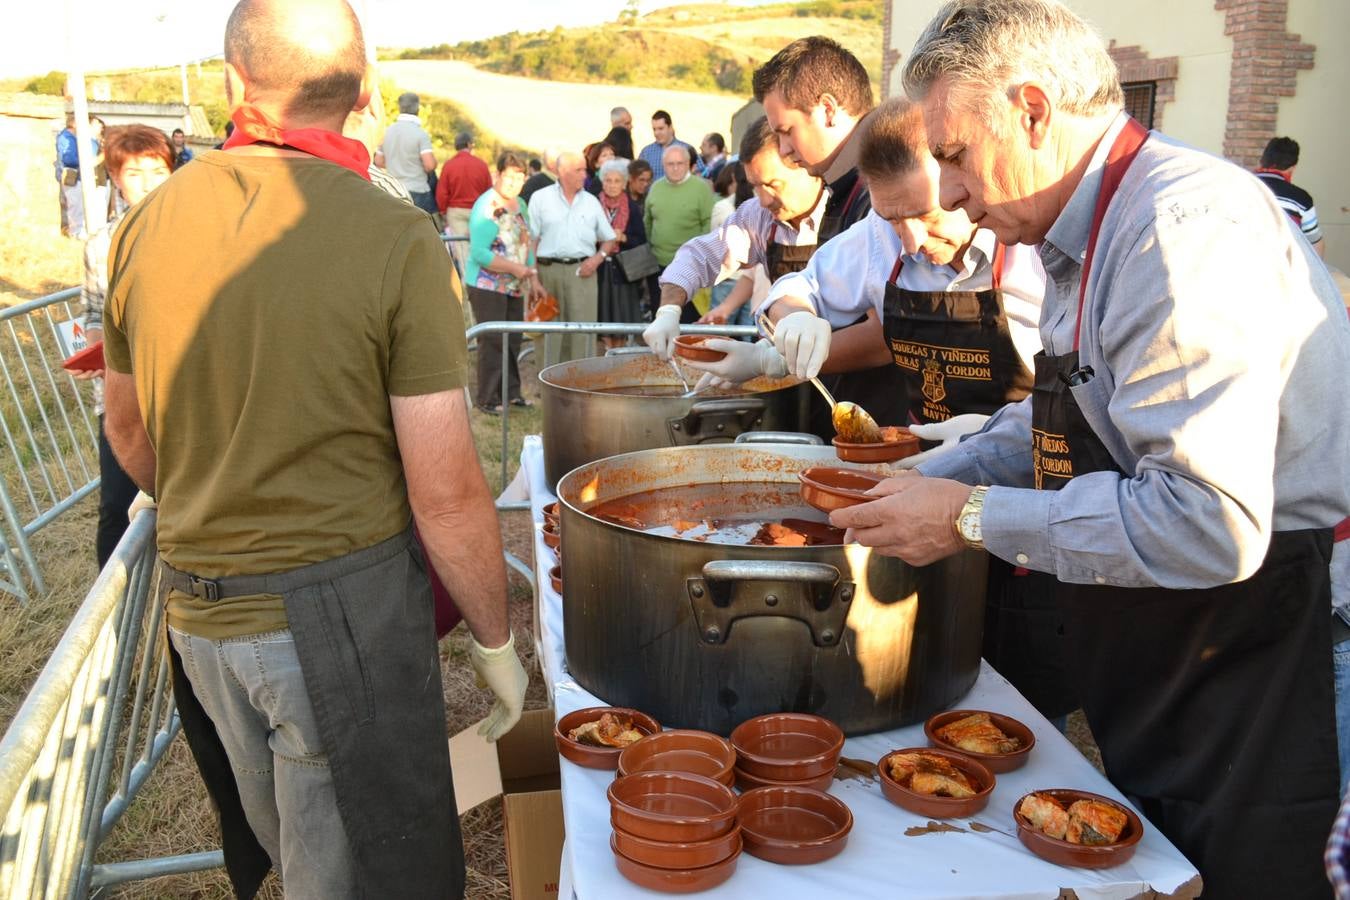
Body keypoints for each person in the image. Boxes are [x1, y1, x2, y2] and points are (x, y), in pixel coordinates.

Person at [835, 1, 1350, 894]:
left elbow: (1208, 522)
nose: (949, 194)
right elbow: (1056, 421)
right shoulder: (1087, 233)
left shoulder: (1180, 229)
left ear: (1033, 110)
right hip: (1171, 642)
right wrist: (915, 479)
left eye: (954, 157)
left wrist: (964, 516)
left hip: (1261, 639)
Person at [101, 2, 528, 896]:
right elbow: (444, 490)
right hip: (339, 621)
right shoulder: (395, 236)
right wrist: (496, 640)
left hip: (202, 618)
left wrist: (208, 502)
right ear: (365, 92)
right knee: (361, 876)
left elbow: (128, 431)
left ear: (231, 84)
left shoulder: (143, 225)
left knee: (293, 858)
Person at [751, 35, 903, 435]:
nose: (784, 150)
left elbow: (887, 334)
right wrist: (793, 319)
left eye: (786, 131)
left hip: (897, 420)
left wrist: (778, 361)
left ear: (829, 109)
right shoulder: (844, 189)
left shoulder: (882, 190)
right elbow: (806, 283)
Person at [77, 125, 174, 569]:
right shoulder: (101, 244)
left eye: (158, 170)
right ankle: (112, 614)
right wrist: (97, 351)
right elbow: (94, 310)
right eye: (135, 172)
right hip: (124, 393)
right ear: (115, 176)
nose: (149, 182)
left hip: (179, 389)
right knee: (117, 505)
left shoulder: (194, 232)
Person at [645, 116, 825, 350]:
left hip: (844, 370)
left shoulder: (849, 212)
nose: (763, 199)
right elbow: (699, 256)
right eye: (755, 186)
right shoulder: (759, 216)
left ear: (802, 164)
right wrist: (668, 310)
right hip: (783, 356)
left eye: (773, 184)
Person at [466, 152, 540, 413]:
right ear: (498, 175)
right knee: (493, 339)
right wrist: (514, 268)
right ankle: (488, 398)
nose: (514, 182)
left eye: (519, 177)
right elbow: (479, 252)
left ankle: (510, 393)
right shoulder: (487, 205)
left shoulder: (520, 203)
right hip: (488, 285)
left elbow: (526, 241)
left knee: (513, 340)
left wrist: (532, 273)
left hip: (515, 285)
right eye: (509, 177)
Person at [529, 150, 618, 364]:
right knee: (549, 333)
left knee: (583, 331)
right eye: (579, 170)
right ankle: (549, 389)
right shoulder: (540, 199)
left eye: (584, 170)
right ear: (562, 172)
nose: (584, 175)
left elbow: (609, 238)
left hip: (583, 274)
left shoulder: (591, 202)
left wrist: (597, 259)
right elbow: (531, 241)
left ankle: (580, 387)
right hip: (547, 272)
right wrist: (533, 278)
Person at [642, 143, 714, 296]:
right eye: (670, 164)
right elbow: (647, 221)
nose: (675, 168)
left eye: (679, 163)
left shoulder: (701, 188)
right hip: (659, 263)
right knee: (660, 310)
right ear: (663, 165)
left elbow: (707, 223)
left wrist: (697, 255)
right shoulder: (655, 188)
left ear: (688, 164)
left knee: (686, 314)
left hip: (690, 265)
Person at [595, 158, 648, 345]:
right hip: (600, 270)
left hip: (624, 272)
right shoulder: (593, 204)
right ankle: (605, 358)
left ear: (625, 183)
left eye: (617, 181)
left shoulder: (632, 208)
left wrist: (623, 238)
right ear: (602, 182)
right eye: (608, 180)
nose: (612, 185)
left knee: (621, 324)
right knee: (602, 324)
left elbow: (641, 240)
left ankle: (617, 356)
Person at [1256, 136, 1325, 258]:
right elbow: (1315, 243)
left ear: (1262, 160)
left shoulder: (1239, 186)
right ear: (1293, 167)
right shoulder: (1300, 199)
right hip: (1282, 270)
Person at [437, 131, 493, 274]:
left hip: (456, 211)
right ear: (469, 145)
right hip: (479, 211)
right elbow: (489, 192)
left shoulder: (449, 165)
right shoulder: (481, 165)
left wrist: (443, 212)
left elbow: (442, 192)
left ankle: (467, 285)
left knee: (462, 249)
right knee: (482, 246)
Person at [374, 91, 437, 217]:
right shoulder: (420, 134)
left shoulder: (387, 132)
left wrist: (395, 163)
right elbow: (429, 165)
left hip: (393, 190)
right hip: (417, 189)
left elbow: (378, 161)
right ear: (417, 108)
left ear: (400, 108)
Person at [638, 110, 693, 182]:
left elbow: (699, 175)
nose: (656, 133)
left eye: (661, 128)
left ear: (670, 127)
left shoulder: (686, 149)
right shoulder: (646, 152)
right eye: (654, 129)